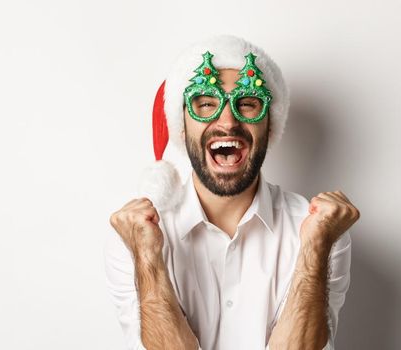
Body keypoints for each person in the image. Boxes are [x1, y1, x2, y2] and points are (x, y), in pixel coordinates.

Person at [104, 35, 360, 350]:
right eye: (207, 104)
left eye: (248, 103)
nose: (227, 122)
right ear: (182, 127)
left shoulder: (319, 231)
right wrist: (147, 256)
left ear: (269, 126)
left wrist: (317, 246)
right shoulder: (135, 236)